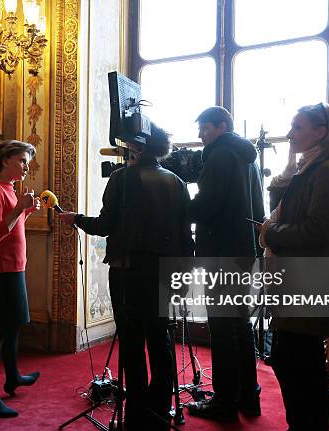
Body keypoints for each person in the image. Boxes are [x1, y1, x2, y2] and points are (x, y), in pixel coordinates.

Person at [59, 125, 194, 430]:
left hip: (129, 271)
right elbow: (187, 237)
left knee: (132, 344)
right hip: (165, 273)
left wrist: (76, 219)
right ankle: (160, 413)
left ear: (138, 148)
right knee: (161, 339)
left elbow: (105, 225)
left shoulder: (122, 177)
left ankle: (137, 416)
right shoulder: (177, 181)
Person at [259, 102, 329, 430]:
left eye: (297, 127)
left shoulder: (328, 170)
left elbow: (319, 228)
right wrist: (290, 162)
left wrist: (271, 233)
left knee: (300, 363)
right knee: (291, 359)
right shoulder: (311, 167)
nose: (290, 133)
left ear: (320, 132)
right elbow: (285, 207)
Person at [184, 106, 264, 422]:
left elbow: (207, 205)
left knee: (222, 328)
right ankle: (248, 397)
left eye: (205, 128)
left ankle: (225, 402)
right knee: (240, 325)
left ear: (222, 126)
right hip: (243, 250)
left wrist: (180, 209)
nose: (201, 134)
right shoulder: (246, 157)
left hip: (221, 252)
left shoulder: (219, 155)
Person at [0, 140, 41, 418]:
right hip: (0, 268)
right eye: (23, 160)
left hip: (13, 266)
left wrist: (24, 210)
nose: (27, 166)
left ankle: (12, 376)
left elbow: (11, 228)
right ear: (5, 160)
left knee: (14, 324)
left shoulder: (9, 191)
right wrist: (18, 209)